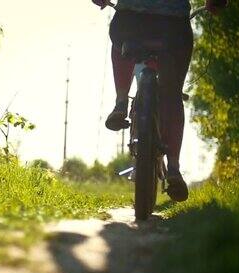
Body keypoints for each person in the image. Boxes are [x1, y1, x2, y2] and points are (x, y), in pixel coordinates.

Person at [92, 0, 227, 202]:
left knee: (120, 42)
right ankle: (173, 168)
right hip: (173, 28)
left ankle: (121, 102)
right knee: (172, 96)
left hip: (131, 21)